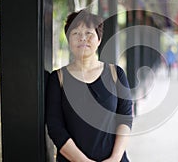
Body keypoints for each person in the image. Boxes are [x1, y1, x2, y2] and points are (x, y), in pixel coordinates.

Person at [46, 9, 133, 162]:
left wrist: (115, 158)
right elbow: (55, 128)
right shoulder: (58, 78)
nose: (82, 38)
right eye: (76, 33)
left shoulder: (116, 74)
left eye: (89, 33)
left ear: (99, 40)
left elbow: (125, 118)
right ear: (68, 39)